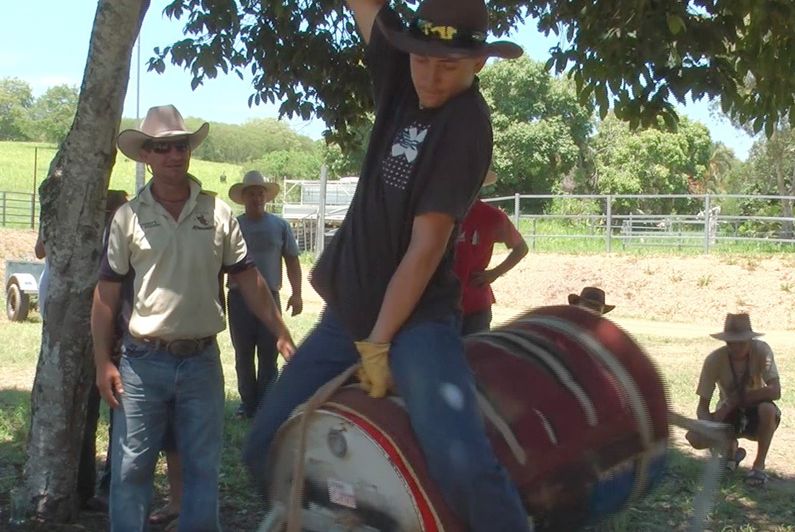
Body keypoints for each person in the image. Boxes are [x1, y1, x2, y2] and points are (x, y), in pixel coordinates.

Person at [244, 1, 531, 530]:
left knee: (463, 468)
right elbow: (368, 7)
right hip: (347, 315)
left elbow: (425, 250)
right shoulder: (407, 73)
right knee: (263, 444)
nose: (431, 76)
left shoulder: (467, 125)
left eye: (449, 65)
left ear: (479, 63)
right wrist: (363, 334)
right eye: (423, 60)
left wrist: (378, 343)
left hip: (417, 322)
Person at [91, 104, 296, 532]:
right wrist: (102, 362)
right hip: (142, 365)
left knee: (203, 470)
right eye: (162, 148)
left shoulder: (217, 213)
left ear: (189, 150)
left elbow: (248, 278)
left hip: (202, 363)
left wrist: (279, 330)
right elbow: (107, 292)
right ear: (146, 155)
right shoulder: (128, 218)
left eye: (180, 146)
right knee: (131, 471)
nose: (173, 155)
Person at [227, 170, 303, 419]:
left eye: (260, 193)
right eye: (251, 193)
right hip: (239, 298)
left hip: (270, 296)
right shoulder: (233, 226)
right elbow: (219, 264)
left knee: (270, 352)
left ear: (266, 197)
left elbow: (292, 260)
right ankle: (247, 403)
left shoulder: (280, 226)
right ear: (244, 197)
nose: (256, 198)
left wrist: (297, 293)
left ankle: (265, 404)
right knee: (243, 353)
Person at [685, 313, 781, 487]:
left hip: (756, 413)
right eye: (731, 343)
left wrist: (737, 399)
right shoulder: (714, 360)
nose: (736, 348)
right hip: (728, 415)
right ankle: (730, 450)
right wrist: (710, 428)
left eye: (741, 343)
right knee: (694, 437)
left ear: (750, 340)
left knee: (768, 410)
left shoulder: (761, 351)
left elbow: (775, 391)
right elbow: (702, 407)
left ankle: (758, 467)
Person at [77, 189, 129, 513]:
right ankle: (89, 487)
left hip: (119, 343)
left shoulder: (124, 246)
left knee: (115, 418)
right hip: (92, 342)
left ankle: (107, 488)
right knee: (96, 415)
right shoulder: (88, 246)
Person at [454, 170, 528, 334]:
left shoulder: (493, 217)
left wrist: (494, 273)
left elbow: (521, 248)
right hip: (438, 304)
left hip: (475, 303)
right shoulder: (437, 215)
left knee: (477, 355)